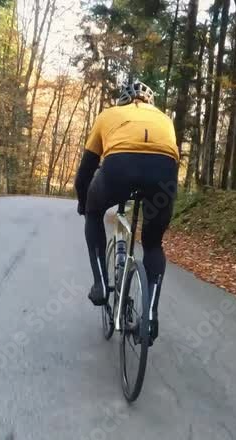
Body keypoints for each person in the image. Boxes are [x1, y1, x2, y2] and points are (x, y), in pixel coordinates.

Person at [75, 80, 178, 343]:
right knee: (153, 244)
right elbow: (170, 157)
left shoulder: (108, 115)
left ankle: (100, 284)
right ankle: (150, 317)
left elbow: (86, 170)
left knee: (94, 214)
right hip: (164, 173)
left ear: (122, 100)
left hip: (120, 167)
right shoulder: (165, 119)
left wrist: (84, 204)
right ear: (150, 102)